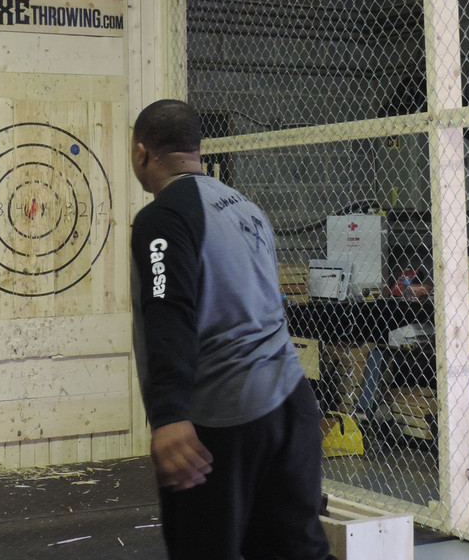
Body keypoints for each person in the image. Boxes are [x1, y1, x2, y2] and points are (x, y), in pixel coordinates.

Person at [129, 99, 335, 560]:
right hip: (291, 404)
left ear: (141, 153)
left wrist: (169, 416)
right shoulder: (245, 207)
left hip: (225, 417)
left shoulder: (162, 218)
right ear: (198, 150)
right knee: (294, 550)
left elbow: (167, 310)